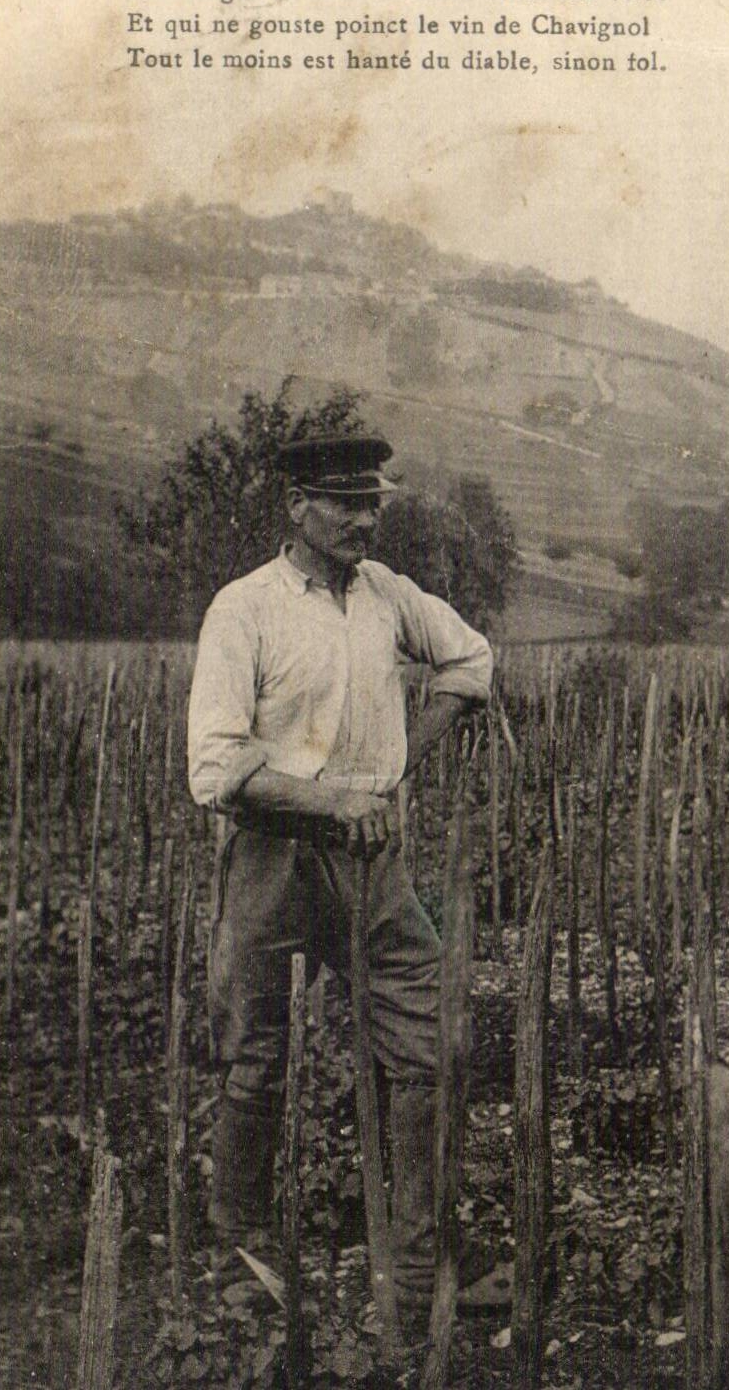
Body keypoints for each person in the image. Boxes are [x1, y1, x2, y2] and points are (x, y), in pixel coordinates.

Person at [187, 431, 509, 1318]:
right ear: (296, 506)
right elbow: (214, 769)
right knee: (253, 1060)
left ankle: (419, 1263)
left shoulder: (386, 598)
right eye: (343, 501)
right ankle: (237, 1263)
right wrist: (329, 802)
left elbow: (470, 660)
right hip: (271, 858)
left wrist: (405, 764)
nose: (364, 517)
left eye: (372, 501)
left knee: (426, 1044)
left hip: (373, 867)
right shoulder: (243, 608)